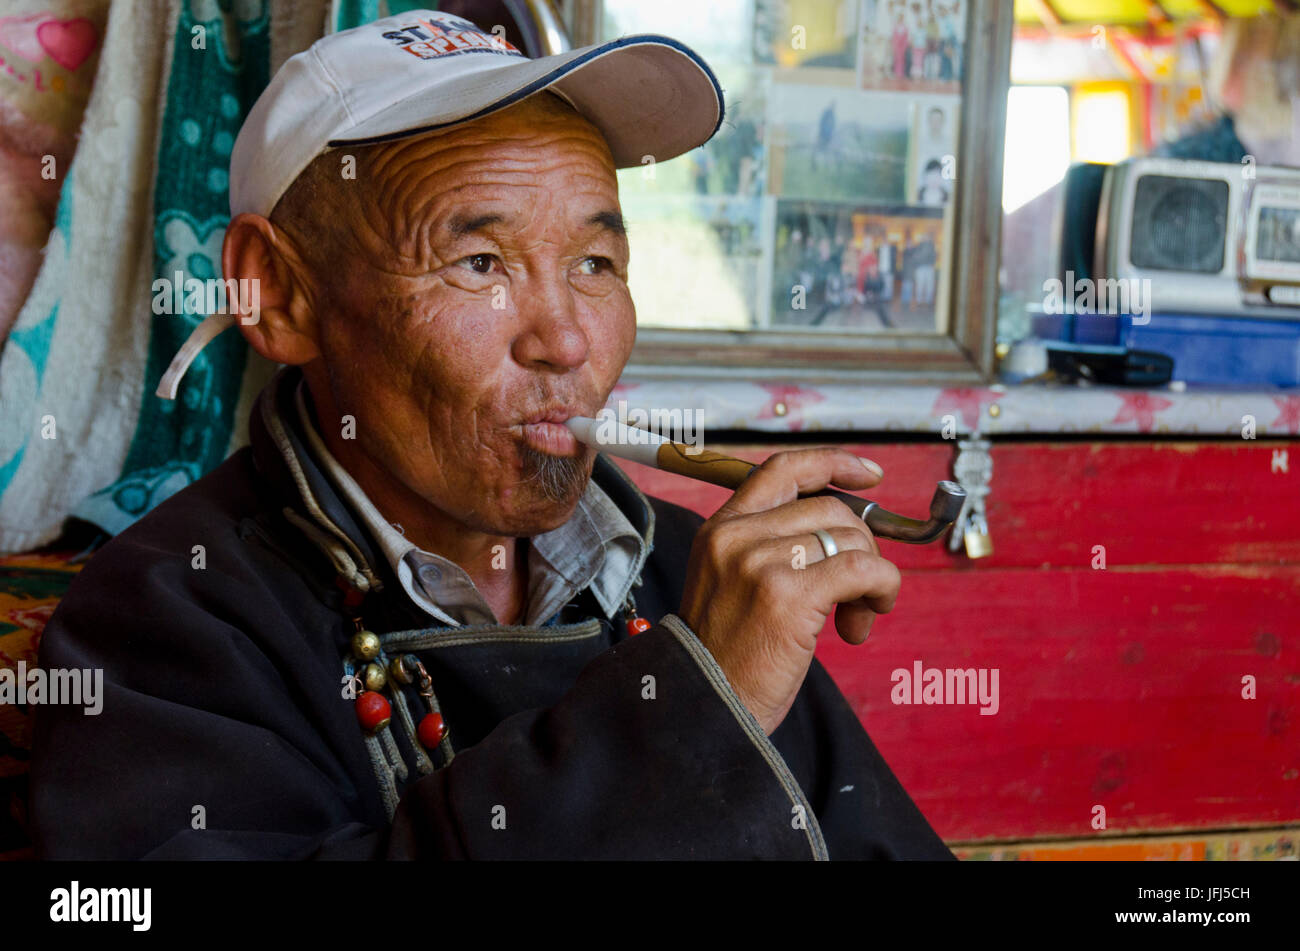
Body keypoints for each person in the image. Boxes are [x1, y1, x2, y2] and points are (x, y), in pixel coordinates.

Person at [29, 10, 952, 861]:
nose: (566, 339)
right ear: (277, 291)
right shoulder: (171, 618)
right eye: (479, 262)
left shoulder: (688, 575)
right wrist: (694, 705)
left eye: (595, 262)